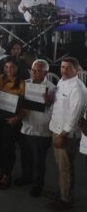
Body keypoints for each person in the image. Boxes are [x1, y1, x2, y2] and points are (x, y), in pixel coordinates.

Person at [48, 57, 87, 211]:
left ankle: (65, 200)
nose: (63, 70)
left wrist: (62, 135)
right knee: (61, 166)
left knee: (66, 168)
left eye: (68, 67)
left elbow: (75, 115)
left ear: (76, 70)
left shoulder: (78, 89)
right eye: (62, 67)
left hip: (66, 134)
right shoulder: (62, 81)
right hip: (56, 129)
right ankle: (62, 191)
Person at [16, 59, 56, 198]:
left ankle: (38, 185)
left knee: (39, 159)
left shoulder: (51, 88)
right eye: (33, 70)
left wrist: (49, 102)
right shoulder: (25, 84)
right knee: (25, 155)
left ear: (45, 72)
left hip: (42, 128)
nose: (35, 73)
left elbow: (55, 109)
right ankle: (27, 177)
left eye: (39, 71)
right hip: (26, 126)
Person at [0, 56, 25, 190]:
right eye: (6, 67)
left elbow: (25, 105)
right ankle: (1, 169)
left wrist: (16, 118)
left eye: (12, 67)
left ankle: (7, 175)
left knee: (8, 148)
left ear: (17, 68)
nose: (9, 70)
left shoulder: (22, 83)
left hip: (11, 120)